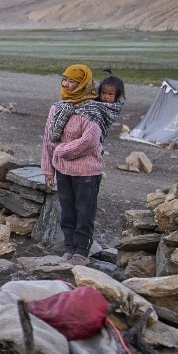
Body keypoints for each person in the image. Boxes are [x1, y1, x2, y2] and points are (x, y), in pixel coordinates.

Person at [42, 64, 104, 266]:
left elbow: (90, 141)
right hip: (62, 171)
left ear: (83, 84)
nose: (67, 85)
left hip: (87, 172)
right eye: (65, 80)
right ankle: (69, 246)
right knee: (67, 211)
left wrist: (61, 150)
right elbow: (48, 139)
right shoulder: (57, 108)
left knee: (85, 212)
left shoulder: (92, 110)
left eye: (73, 81)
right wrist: (48, 170)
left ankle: (81, 251)